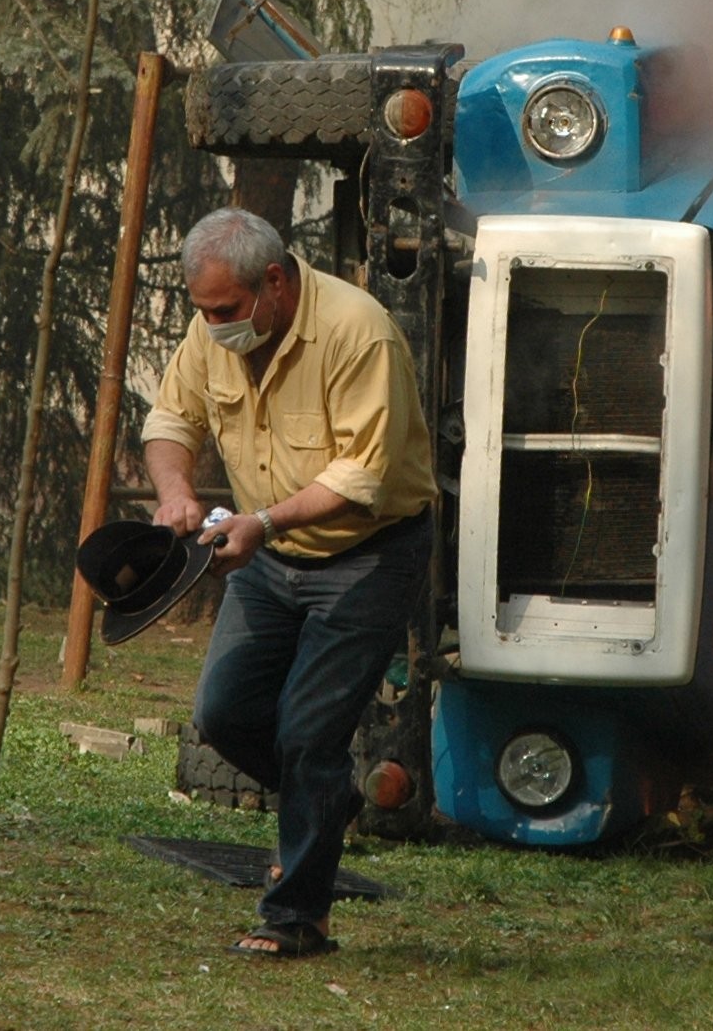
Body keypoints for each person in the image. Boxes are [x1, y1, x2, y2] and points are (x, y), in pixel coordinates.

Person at [143, 207, 436, 958]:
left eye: (226, 310)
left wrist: (263, 524)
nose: (213, 325)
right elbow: (171, 422)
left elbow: (362, 477)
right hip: (268, 555)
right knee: (224, 712)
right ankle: (326, 799)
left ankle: (296, 918)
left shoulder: (358, 332)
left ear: (274, 282)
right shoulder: (210, 331)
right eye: (203, 311)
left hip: (367, 554)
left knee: (309, 732)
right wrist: (176, 495)